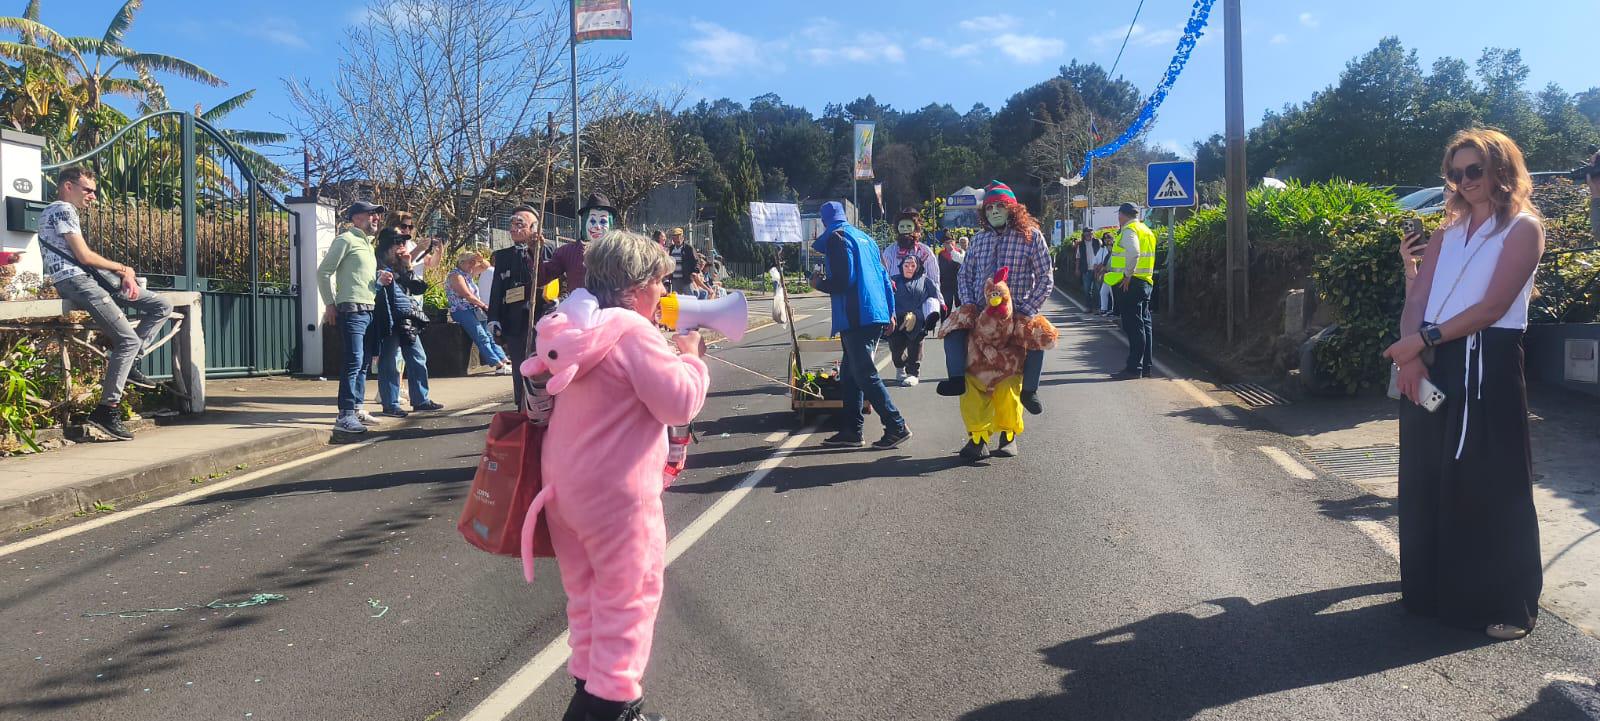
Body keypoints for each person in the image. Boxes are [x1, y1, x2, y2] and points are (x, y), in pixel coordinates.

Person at [519, 230, 708, 721]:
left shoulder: (570, 327)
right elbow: (678, 403)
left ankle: (589, 686)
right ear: (636, 286)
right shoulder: (632, 332)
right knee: (629, 600)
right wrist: (691, 357)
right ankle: (612, 707)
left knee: (586, 598)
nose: (664, 292)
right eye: (660, 282)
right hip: (617, 498)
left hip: (563, 493)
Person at [1383, 127, 1545, 642]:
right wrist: (1412, 357)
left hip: (1488, 362)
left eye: (1475, 169)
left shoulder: (1522, 228)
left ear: (1501, 169)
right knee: (1427, 473)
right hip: (1434, 360)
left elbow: (1493, 307)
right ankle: (1432, 593)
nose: (1465, 180)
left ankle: (1509, 604)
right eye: (1455, 173)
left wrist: (1421, 341)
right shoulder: (1445, 234)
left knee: (1492, 481)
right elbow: (1418, 298)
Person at [37, 166, 173, 441]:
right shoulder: (62, 208)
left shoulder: (59, 211)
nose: (93, 196)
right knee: (128, 340)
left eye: (94, 191)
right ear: (68, 186)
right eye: (88, 190)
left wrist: (121, 275)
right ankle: (106, 411)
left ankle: (130, 363)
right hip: (77, 281)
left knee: (161, 305)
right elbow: (84, 256)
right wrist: (123, 268)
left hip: (89, 280)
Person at [937, 181, 1054, 414]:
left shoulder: (1031, 236)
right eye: (989, 208)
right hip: (981, 312)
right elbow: (965, 275)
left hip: (1017, 311)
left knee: (1038, 336)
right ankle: (956, 379)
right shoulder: (979, 239)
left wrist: (1028, 309)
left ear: (1012, 208)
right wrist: (969, 305)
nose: (995, 211)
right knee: (951, 330)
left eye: (1000, 206)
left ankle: (1030, 390)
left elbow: (1046, 277)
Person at [810, 200, 913, 449]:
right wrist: (890, 311)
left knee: (865, 374)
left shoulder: (837, 238)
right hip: (874, 312)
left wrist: (818, 283)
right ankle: (851, 431)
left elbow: (843, 281)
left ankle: (896, 425)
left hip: (856, 315)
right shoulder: (866, 239)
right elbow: (885, 278)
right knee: (850, 375)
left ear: (824, 222)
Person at [317, 200, 389, 434]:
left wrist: (379, 281)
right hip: (351, 310)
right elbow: (323, 272)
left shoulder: (367, 244)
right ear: (356, 218)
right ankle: (345, 414)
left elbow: (361, 281)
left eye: (377, 215)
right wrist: (329, 304)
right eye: (371, 214)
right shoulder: (345, 239)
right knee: (353, 361)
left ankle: (357, 408)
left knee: (364, 363)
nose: (376, 218)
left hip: (369, 309)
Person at [372, 229, 444, 416]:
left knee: (417, 357)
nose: (401, 247)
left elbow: (417, 288)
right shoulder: (376, 263)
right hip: (387, 316)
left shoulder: (401, 263)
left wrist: (408, 266)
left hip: (406, 318)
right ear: (387, 246)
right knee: (389, 362)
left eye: (403, 243)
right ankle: (390, 403)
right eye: (397, 243)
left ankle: (420, 399)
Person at [487, 205, 552, 407]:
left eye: (520, 224)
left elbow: (556, 280)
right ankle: (521, 407)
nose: (514, 228)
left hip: (541, 319)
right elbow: (497, 289)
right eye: (512, 224)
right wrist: (493, 318)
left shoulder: (547, 250)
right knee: (519, 367)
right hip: (514, 321)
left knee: (543, 367)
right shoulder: (503, 256)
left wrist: (537, 249)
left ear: (534, 227)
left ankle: (544, 407)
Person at [1107, 203, 1157, 379]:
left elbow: (1134, 252)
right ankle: (1146, 366)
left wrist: (1127, 275)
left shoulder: (1129, 230)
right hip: (1145, 281)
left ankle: (1134, 368)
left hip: (1131, 283)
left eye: (1119, 215)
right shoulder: (1146, 230)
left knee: (1133, 327)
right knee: (1144, 325)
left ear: (1122, 215)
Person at [446, 251, 513, 375]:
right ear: (462, 262)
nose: (473, 265)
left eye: (474, 262)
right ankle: (497, 364)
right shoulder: (456, 276)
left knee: (490, 335)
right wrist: (483, 305)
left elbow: (486, 266)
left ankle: (504, 360)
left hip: (475, 309)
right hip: (462, 310)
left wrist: (480, 259)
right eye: (470, 262)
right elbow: (467, 295)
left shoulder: (468, 273)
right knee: (481, 336)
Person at [543, 193, 614, 295]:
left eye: (603, 221)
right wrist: (533, 250)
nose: (598, 227)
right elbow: (544, 276)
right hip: (579, 304)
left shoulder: (619, 253)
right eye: (592, 221)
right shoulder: (567, 252)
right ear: (584, 221)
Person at [887, 255, 940, 386]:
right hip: (897, 320)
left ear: (918, 267)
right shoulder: (893, 280)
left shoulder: (926, 281)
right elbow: (885, 297)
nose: (909, 268)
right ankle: (900, 366)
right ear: (901, 267)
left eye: (912, 265)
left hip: (917, 320)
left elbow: (933, 298)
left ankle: (913, 373)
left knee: (915, 346)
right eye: (906, 265)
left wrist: (930, 316)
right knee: (896, 349)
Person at [880, 207, 943, 306]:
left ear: (915, 228)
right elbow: (883, 277)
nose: (905, 229)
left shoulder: (925, 252)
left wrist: (940, 302)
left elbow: (934, 280)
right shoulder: (889, 252)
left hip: (921, 304)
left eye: (909, 226)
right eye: (902, 226)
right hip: (897, 303)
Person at [667, 227, 697, 295]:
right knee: (676, 298)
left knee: (690, 297)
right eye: (675, 237)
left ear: (682, 237)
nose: (677, 239)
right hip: (674, 279)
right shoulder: (671, 249)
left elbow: (696, 260)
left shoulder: (688, 248)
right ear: (673, 239)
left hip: (686, 278)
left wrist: (695, 272)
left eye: (679, 237)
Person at [937, 234, 963, 308]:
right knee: (946, 304)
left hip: (958, 282)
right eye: (947, 243)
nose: (950, 244)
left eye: (951, 242)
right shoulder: (941, 254)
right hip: (946, 283)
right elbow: (940, 268)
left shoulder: (960, 252)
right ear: (944, 244)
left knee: (959, 303)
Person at [1076, 228, 1098, 299]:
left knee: (1097, 289)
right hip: (1086, 270)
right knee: (1086, 289)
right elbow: (1078, 257)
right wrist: (1077, 269)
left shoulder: (1097, 242)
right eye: (1086, 233)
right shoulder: (1081, 244)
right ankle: (1088, 304)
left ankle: (1098, 305)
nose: (1088, 235)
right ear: (1084, 234)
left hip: (1097, 269)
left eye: (1090, 233)